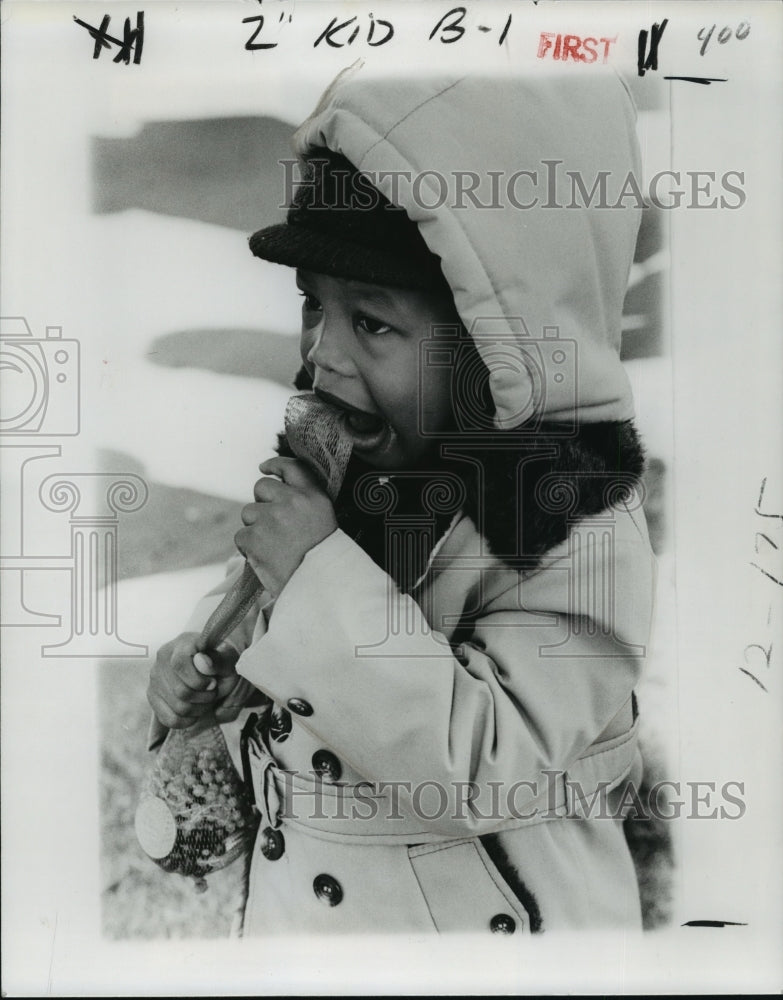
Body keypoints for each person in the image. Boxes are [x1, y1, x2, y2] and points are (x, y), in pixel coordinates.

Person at [147, 66, 657, 934]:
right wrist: (211, 673)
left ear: (498, 348)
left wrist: (312, 577)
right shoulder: (341, 463)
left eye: (373, 323)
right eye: (315, 306)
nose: (322, 356)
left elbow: (486, 765)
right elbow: (267, 627)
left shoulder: (574, 525)